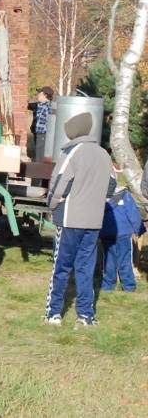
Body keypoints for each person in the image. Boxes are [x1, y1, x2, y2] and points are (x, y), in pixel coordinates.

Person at [44, 112, 115, 327]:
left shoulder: (71, 153)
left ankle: (53, 313)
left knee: (61, 266)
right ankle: (85, 316)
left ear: (72, 131)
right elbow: (111, 186)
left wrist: (51, 205)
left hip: (69, 219)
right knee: (85, 268)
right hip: (93, 222)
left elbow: (58, 185)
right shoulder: (104, 154)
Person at [100, 182, 146, 292]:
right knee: (125, 259)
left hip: (106, 233)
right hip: (123, 233)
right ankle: (129, 286)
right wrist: (139, 229)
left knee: (108, 260)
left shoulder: (99, 194)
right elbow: (133, 213)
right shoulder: (125, 195)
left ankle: (107, 285)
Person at [27, 86, 54, 161]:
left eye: (40, 93)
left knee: (40, 154)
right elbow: (29, 105)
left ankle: (39, 170)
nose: (38, 95)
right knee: (37, 152)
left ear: (45, 95)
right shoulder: (39, 104)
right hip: (37, 133)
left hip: (43, 134)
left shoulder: (49, 106)